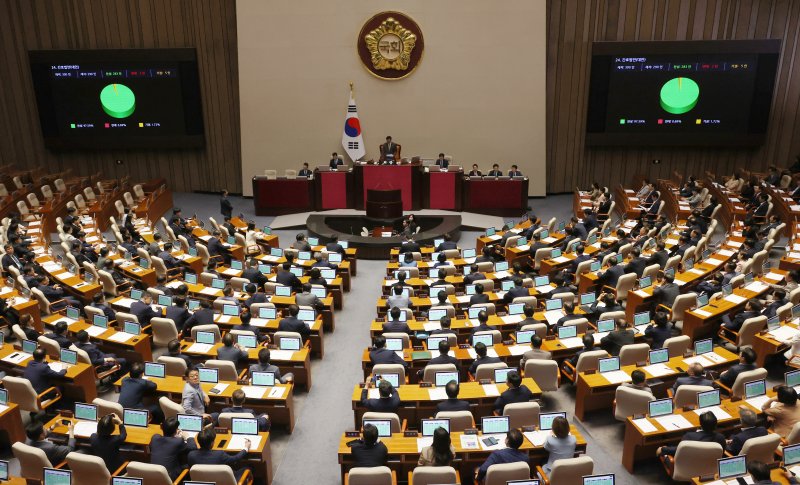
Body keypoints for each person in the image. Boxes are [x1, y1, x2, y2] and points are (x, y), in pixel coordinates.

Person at [657, 411, 725, 457]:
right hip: (711, 467)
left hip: (688, 468)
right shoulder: (721, 438)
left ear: (700, 424)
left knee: (659, 451)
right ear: (716, 425)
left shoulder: (689, 436)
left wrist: (663, 449)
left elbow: (678, 450)